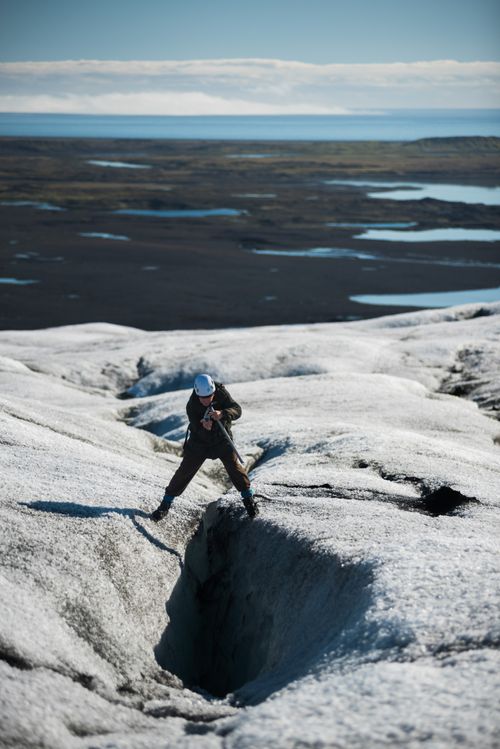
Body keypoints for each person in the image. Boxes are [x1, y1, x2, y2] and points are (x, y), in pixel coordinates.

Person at [150, 373, 258, 520]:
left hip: (221, 439)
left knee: (234, 467)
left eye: (209, 396)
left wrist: (223, 413)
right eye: (203, 398)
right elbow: (195, 427)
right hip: (199, 443)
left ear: (213, 391)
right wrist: (204, 427)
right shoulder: (192, 405)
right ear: (197, 394)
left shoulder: (221, 392)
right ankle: (165, 505)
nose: (206, 400)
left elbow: (236, 409)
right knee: (184, 471)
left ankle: (249, 501)